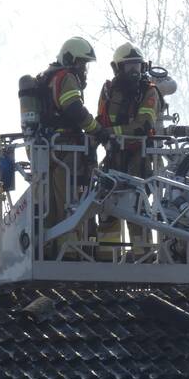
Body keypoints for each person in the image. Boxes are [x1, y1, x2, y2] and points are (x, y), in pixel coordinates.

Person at [36, 36, 111, 258]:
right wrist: (97, 129)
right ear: (71, 60)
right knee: (70, 201)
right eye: (82, 63)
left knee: (51, 202)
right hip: (66, 149)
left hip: (48, 148)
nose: (84, 69)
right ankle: (69, 251)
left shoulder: (49, 77)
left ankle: (50, 249)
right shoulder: (66, 77)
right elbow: (74, 109)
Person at [95, 42, 161, 259]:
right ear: (117, 68)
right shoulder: (107, 91)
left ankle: (143, 259)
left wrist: (109, 132)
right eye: (129, 67)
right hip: (113, 157)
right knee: (106, 207)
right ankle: (106, 259)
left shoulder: (149, 91)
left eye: (137, 66)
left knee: (137, 208)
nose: (134, 72)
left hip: (137, 159)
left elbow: (143, 125)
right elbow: (99, 122)